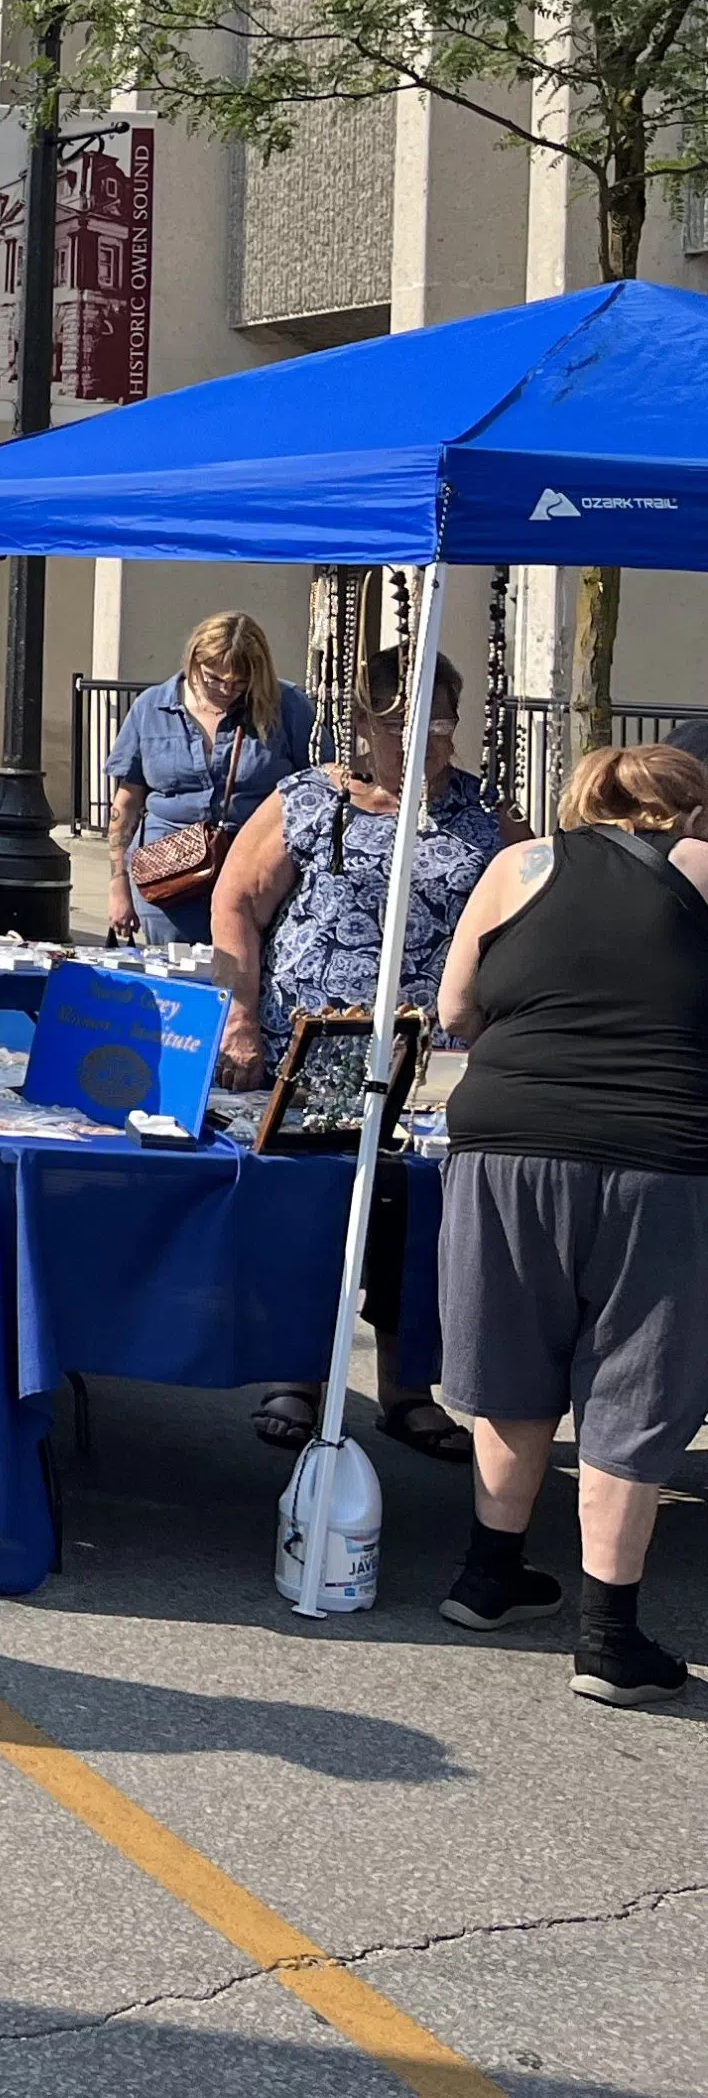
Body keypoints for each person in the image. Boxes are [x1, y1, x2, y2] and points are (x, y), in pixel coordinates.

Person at [431, 742, 708, 1705]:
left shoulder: (518, 866)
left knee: (514, 1360)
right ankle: (608, 1633)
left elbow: (455, 1007)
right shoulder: (700, 867)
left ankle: (488, 1574)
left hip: (504, 1143)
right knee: (636, 1379)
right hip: (659, 1152)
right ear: (685, 811)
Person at [212, 644, 517, 1456]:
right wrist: (239, 1015)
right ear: (364, 723)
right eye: (410, 724)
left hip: (434, 1048)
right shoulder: (311, 801)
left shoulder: (482, 820)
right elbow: (235, 902)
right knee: (315, 1207)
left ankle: (407, 1388)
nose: (431, 741)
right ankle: (299, 1374)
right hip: (318, 1041)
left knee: (415, 1218)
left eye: (445, 723)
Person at [105, 612, 311, 946]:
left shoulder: (287, 706)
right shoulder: (151, 708)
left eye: (239, 683)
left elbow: (318, 786)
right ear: (193, 660)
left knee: (247, 977)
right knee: (179, 975)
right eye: (214, 678)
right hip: (167, 873)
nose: (226, 690)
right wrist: (118, 885)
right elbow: (126, 804)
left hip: (257, 867)